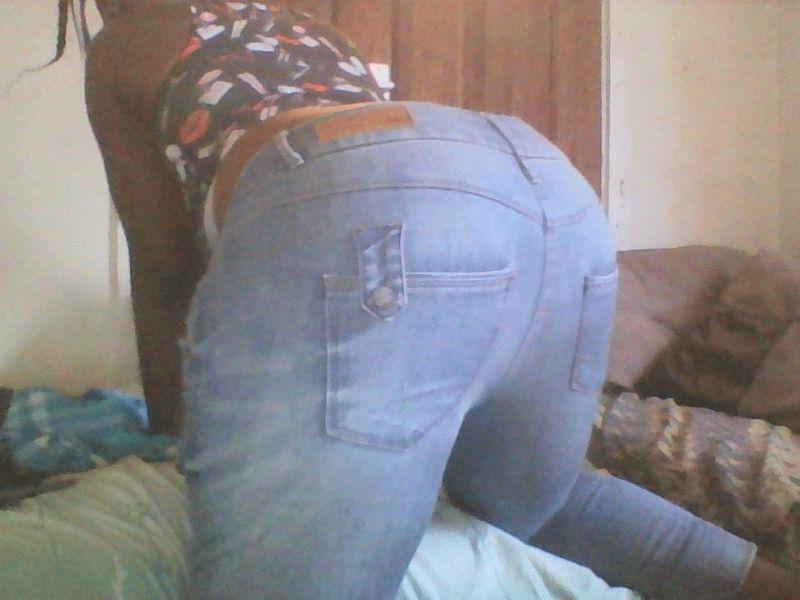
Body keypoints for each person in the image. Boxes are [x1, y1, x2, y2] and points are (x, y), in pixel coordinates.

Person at [67, 0, 798, 597]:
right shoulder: (303, 26)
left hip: (361, 201)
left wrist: (171, 438)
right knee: (540, 502)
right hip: (551, 190)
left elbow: (163, 269)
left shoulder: (127, 39)